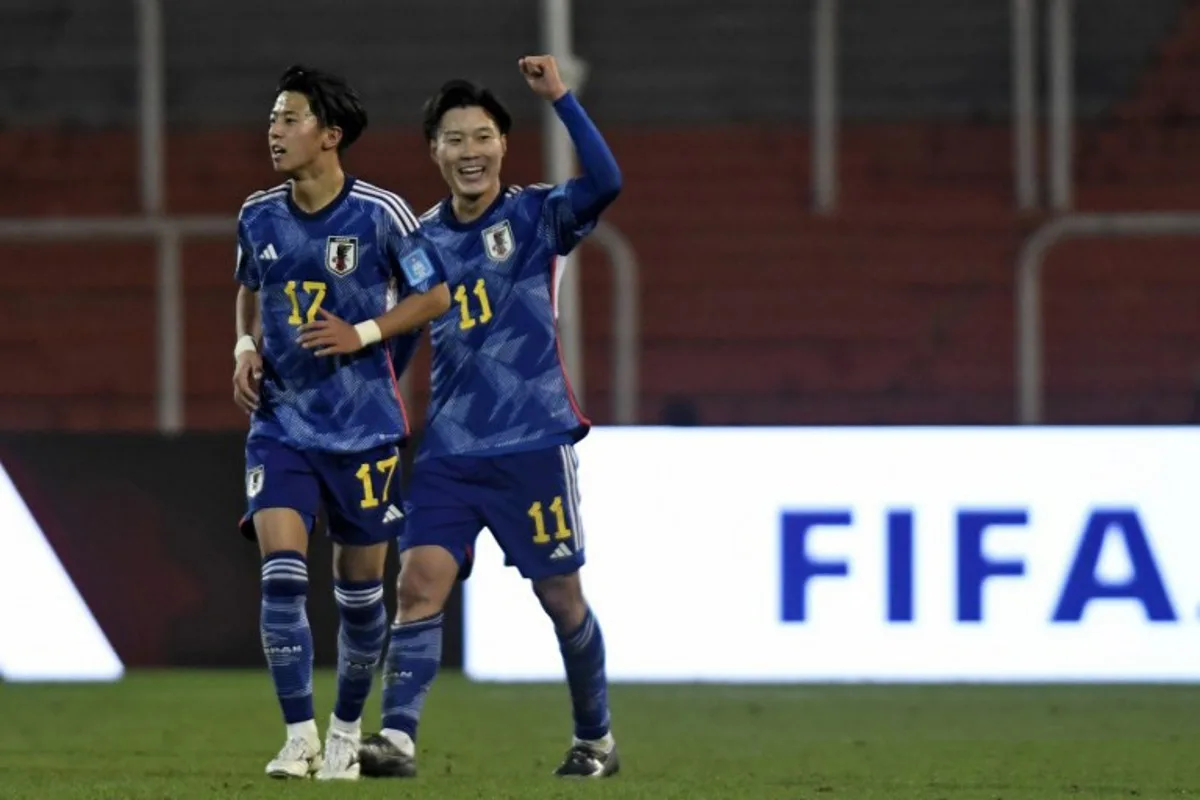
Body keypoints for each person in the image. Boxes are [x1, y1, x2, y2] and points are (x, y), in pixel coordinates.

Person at [352, 54, 623, 779]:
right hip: (450, 450)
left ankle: (595, 739)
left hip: (534, 442)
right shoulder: (422, 244)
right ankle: (398, 739)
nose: (469, 152)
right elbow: (399, 344)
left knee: (560, 596)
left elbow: (608, 182)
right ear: (433, 151)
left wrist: (561, 98)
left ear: (503, 143)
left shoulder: (538, 215)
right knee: (418, 580)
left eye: (482, 137)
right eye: (454, 139)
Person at [231, 63, 451, 781]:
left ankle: (347, 732)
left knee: (360, 598)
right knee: (282, 576)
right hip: (281, 422)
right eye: (272, 118)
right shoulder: (258, 212)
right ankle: (298, 736)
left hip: (364, 428)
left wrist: (361, 333)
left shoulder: (380, 213)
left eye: (289, 118)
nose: (274, 130)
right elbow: (249, 286)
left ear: (329, 136)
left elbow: (436, 296)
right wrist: (243, 345)